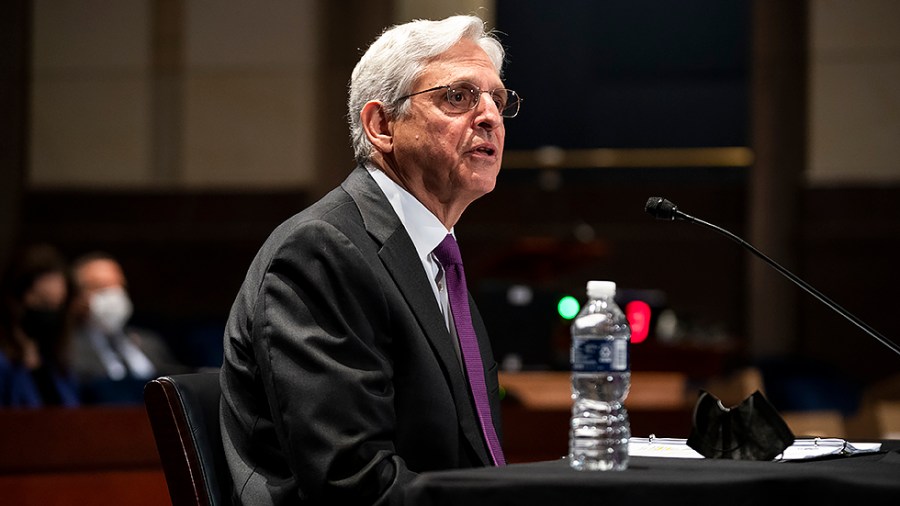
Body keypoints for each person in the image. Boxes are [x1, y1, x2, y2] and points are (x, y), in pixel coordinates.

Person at [220, 14, 522, 505]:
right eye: (459, 97)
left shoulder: (435, 257)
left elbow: (467, 456)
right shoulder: (323, 251)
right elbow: (352, 483)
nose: (489, 116)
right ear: (382, 125)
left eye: (497, 99)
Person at [69, 251, 191, 403]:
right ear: (76, 297)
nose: (114, 295)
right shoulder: (67, 349)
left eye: (119, 286)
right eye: (101, 287)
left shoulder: (150, 343)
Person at [0, 243, 80, 407]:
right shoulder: (4, 364)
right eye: (43, 303)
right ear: (15, 299)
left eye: (56, 306)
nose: (50, 314)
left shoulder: (57, 365)